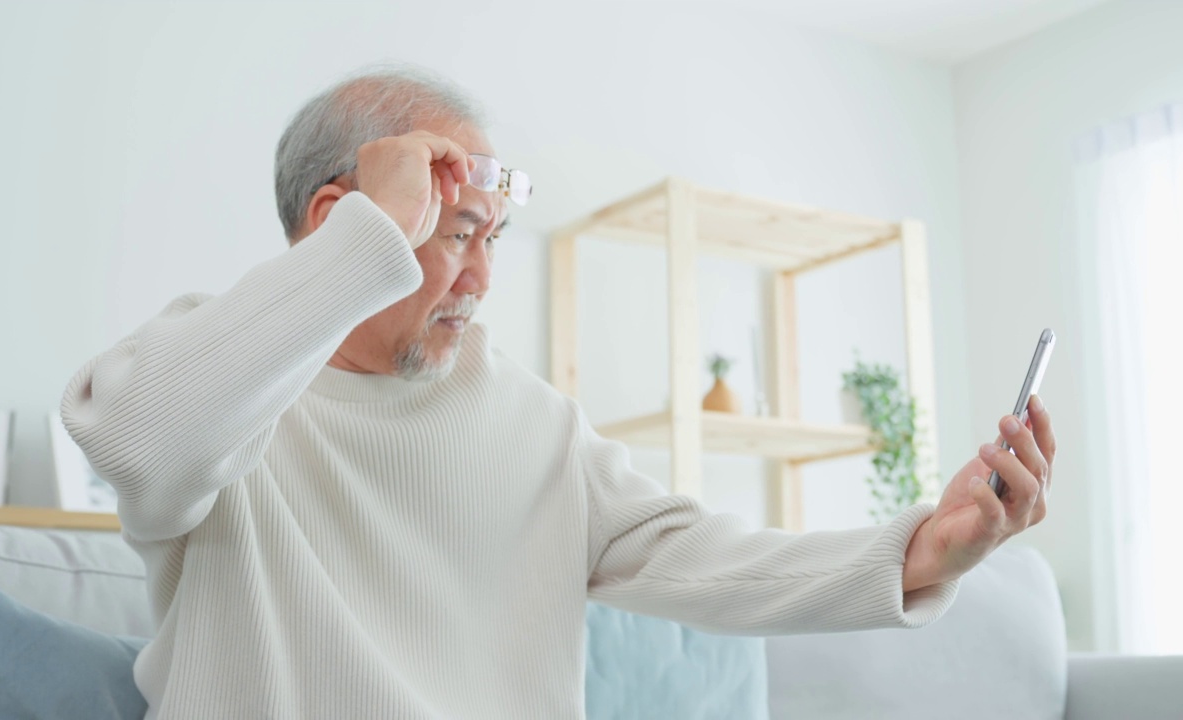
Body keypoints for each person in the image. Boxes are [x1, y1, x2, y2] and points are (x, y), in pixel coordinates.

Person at [61, 63, 1056, 719]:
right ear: (340, 224)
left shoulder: (528, 423)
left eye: (492, 239)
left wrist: (927, 549)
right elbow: (135, 439)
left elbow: (709, 559)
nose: (483, 280)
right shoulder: (218, 387)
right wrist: (367, 238)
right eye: (455, 233)